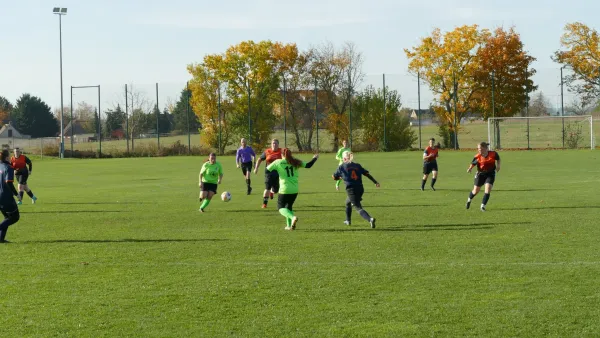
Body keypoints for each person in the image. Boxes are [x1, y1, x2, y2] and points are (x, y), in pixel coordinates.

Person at [267, 148, 318, 230]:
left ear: (282, 155)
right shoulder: (295, 162)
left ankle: (293, 217)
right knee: (288, 207)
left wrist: (273, 181)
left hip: (284, 189)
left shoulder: (278, 162)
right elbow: (308, 165)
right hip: (294, 189)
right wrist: (315, 158)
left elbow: (268, 169)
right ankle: (289, 226)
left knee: (280, 208)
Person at [333, 151, 379, 228]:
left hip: (351, 189)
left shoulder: (341, 166)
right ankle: (348, 220)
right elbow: (367, 174)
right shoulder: (357, 165)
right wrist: (375, 182)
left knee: (358, 207)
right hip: (360, 188)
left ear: (344, 158)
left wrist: (339, 177)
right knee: (347, 203)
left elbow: (334, 177)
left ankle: (370, 219)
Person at [466, 142, 501, 212]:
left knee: (487, 189)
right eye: (478, 149)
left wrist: (498, 166)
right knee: (475, 191)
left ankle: (482, 206)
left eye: (481, 149)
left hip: (490, 174)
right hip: (480, 174)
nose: (479, 150)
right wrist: (470, 168)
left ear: (486, 149)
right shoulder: (477, 156)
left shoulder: (493, 154)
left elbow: (498, 158)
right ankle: (469, 199)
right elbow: (473, 163)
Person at [253, 139, 282, 208]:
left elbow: (287, 158)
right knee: (267, 188)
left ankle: (272, 192)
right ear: (271, 144)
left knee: (276, 190)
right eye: (273, 143)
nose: (274, 145)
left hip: (278, 173)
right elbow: (259, 159)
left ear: (278, 145)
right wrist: (256, 168)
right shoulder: (267, 151)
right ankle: (264, 203)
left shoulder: (281, 151)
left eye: (276, 144)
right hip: (268, 173)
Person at [0, 149, 20, 243]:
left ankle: (1, 239)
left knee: (7, 218)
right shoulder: (9, 167)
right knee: (15, 217)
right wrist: (17, 194)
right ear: (7, 157)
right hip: (6, 197)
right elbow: (9, 183)